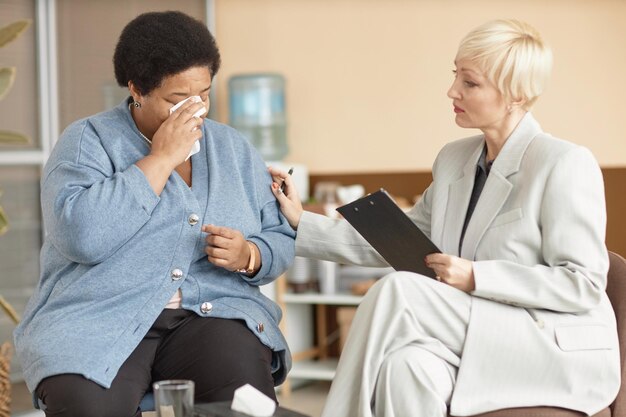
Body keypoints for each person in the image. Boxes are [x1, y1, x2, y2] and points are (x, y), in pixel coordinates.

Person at [270, 19, 619, 417]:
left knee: (398, 290)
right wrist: (300, 220)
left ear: (515, 96)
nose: (452, 91)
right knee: (407, 368)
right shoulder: (454, 160)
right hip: (474, 333)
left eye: (470, 83)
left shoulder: (563, 163)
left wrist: (476, 276)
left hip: (546, 343)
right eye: (455, 76)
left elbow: (583, 284)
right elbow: (398, 238)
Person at [14, 11, 295, 417]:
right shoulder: (87, 141)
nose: (195, 110)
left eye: (204, 93)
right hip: (99, 316)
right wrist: (160, 159)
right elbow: (80, 236)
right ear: (136, 89)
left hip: (211, 317)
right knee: (88, 406)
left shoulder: (232, 148)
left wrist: (250, 255)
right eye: (177, 99)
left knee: (245, 403)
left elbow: (280, 236)